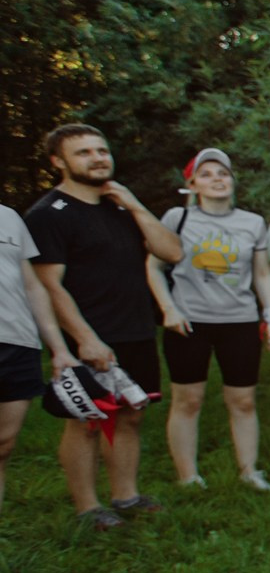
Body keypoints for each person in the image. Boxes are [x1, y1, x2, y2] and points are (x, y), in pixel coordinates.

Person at [27, 124, 182, 528]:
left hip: (136, 329)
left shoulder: (119, 207)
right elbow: (49, 286)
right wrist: (84, 339)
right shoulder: (48, 215)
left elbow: (172, 251)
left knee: (132, 414)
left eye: (101, 150)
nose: (97, 158)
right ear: (58, 162)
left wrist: (133, 205)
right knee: (87, 422)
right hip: (88, 335)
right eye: (83, 152)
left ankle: (126, 496)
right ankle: (87, 508)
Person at [146, 148, 270, 492]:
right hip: (189, 322)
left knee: (243, 400)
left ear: (233, 180)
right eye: (206, 174)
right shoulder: (177, 218)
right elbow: (153, 266)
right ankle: (188, 477)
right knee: (188, 400)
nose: (217, 179)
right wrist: (168, 309)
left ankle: (250, 471)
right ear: (192, 185)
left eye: (222, 173)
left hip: (239, 321)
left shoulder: (252, 223)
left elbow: (262, 273)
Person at [0, 198, 71, 509]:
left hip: (17, 343)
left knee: (4, 445)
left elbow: (32, 286)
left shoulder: (9, 217)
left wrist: (58, 348)